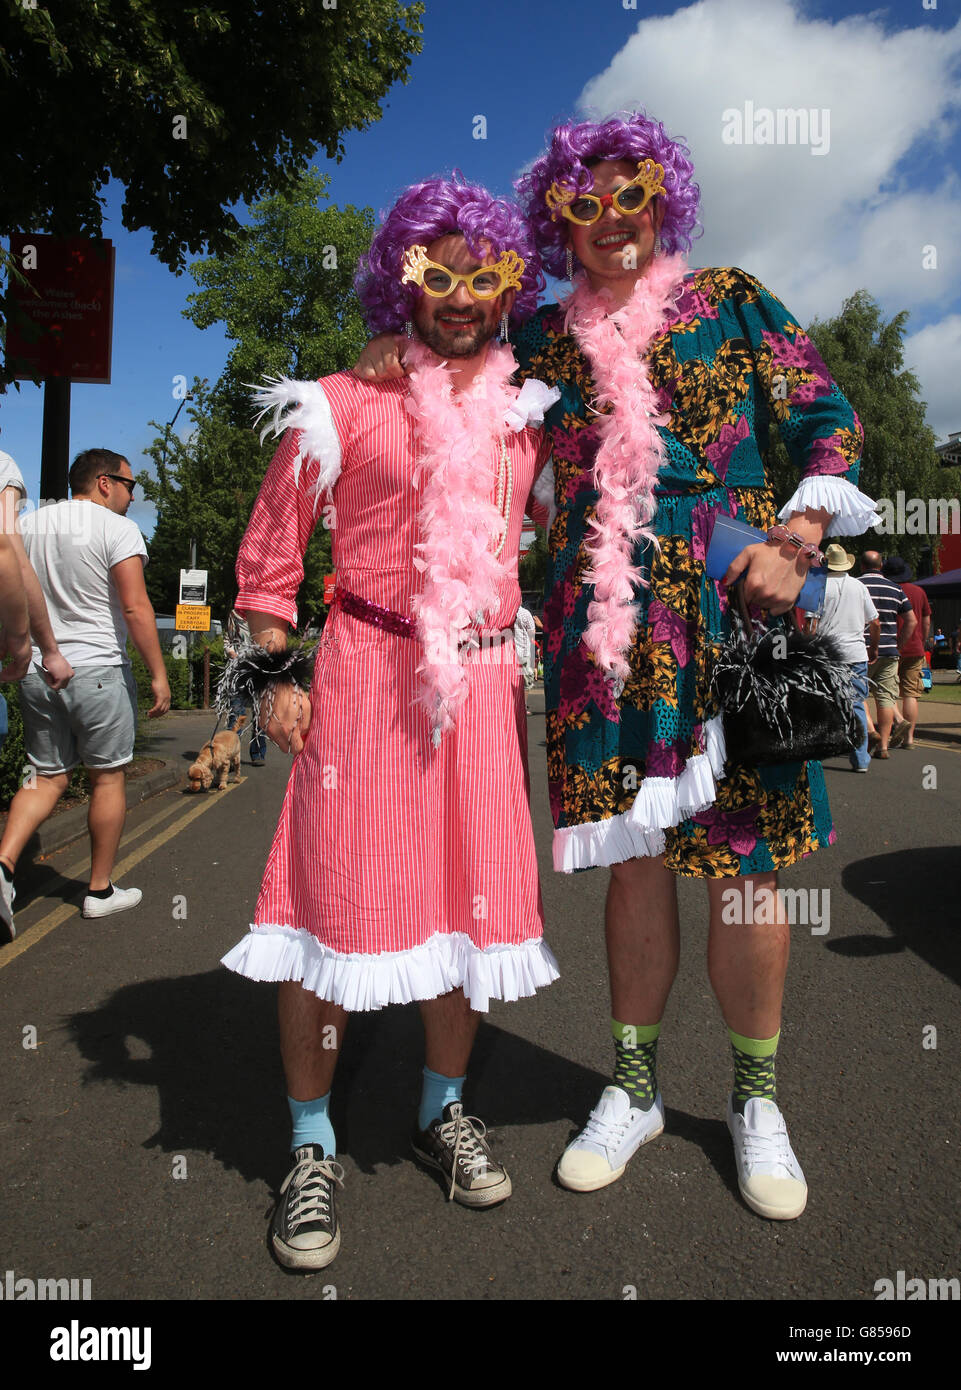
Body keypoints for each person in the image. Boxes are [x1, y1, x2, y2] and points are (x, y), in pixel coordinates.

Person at [357, 113, 881, 1220]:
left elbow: (830, 426)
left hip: (738, 608)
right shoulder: (539, 339)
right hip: (604, 626)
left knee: (745, 866)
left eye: (628, 191)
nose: (608, 218)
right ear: (556, 220)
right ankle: (634, 1087)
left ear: (663, 197)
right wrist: (387, 350)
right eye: (580, 202)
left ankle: (755, 1099)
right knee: (634, 863)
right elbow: (457, 398)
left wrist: (794, 543)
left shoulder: (730, 297)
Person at [222, 178, 560, 1271]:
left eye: (485, 273)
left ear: (513, 280)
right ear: (398, 277)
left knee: (467, 909)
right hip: (366, 672)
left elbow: (591, 504)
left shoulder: (529, 416)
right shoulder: (341, 401)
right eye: (436, 272)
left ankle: (441, 1109)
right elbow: (270, 557)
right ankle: (311, 1143)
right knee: (333, 906)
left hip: (485, 679)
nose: (461, 296)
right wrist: (270, 677)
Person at [0, 449, 170, 922]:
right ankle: (99, 891)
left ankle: (3, 868)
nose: (133, 497)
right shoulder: (118, 530)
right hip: (98, 670)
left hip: (39, 669)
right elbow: (135, 608)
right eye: (130, 486)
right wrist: (159, 674)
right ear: (103, 483)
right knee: (107, 777)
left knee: (46, 777)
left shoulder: (29, 524)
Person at [1, 448, 75, 942]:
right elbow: (8, 549)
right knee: (68, 773)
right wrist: (28, 641)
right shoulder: (2, 467)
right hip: (86, 667)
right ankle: (99, 889)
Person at [804, 544, 879, 773]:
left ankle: (820, 750)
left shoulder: (818, 586)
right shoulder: (859, 586)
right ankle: (861, 759)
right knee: (856, 703)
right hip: (856, 653)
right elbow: (874, 622)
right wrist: (873, 648)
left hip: (828, 655)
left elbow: (810, 625)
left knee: (825, 701)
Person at [858, 551, 914, 758]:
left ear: (862, 566)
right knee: (886, 698)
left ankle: (870, 732)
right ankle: (883, 747)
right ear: (881, 566)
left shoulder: (857, 586)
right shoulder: (896, 588)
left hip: (862, 649)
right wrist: (898, 645)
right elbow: (912, 621)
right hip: (889, 651)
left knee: (858, 693)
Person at [881, 556, 930, 749]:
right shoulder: (919, 592)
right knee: (911, 694)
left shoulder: (888, 590)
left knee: (884, 689)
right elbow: (925, 621)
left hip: (891, 646)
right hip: (915, 647)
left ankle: (898, 722)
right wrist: (922, 641)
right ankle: (909, 739)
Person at [224, 609, 267, 764]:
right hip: (238, 669)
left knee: (259, 713)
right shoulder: (235, 614)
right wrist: (233, 654)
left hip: (259, 670)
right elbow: (228, 640)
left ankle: (257, 753)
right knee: (236, 712)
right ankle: (229, 755)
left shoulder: (264, 613)